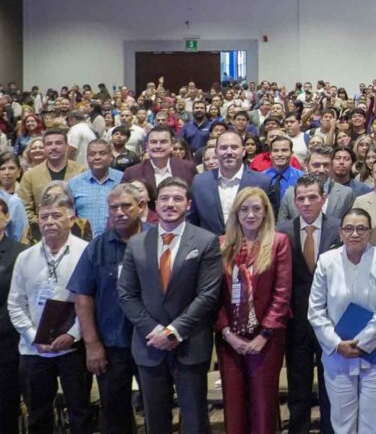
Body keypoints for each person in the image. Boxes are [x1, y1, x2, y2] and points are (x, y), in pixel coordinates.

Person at [117, 177, 224, 434]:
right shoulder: (136, 243)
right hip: (149, 344)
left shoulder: (206, 241)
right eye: (164, 198)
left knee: (195, 420)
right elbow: (126, 294)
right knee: (155, 421)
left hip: (190, 343)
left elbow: (208, 295)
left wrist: (174, 331)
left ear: (188, 204)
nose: (170, 204)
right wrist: (155, 331)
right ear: (155, 204)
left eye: (177, 199)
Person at [7, 184, 90, 434]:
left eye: (56, 216)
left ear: (71, 219)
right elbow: (15, 303)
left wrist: (73, 335)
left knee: (80, 413)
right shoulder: (26, 257)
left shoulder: (86, 252)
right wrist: (34, 337)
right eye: (44, 217)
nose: (49, 222)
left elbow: (91, 300)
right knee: (38, 414)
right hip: (34, 350)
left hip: (73, 347)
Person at [308, 207, 376, 434]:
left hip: (375, 353)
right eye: (348, 228)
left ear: (370, 232)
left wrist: (363, 343)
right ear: (340, 233)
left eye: (361, 229)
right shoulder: (327, 261)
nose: (354, 234)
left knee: (372, 424)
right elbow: (315, 310)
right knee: (342, 423)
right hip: (338, 354)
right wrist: (337, 344)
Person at [67, 182, 149, 434]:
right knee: (114, 416)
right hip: (112, 346)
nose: (119, 212)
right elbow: (82, 298)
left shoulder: (158, 239)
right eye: (114, 207)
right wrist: (92, 345)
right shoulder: (97, 247)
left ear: (141, 206)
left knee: (157, 410)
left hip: (152, 343)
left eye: (126, 206)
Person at [215, 187, 292, 434]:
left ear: (265, 212)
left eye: (256, 209)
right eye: (244, 209)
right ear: (236, 213)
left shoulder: (278, 242)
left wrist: (264, 335)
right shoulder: (221, 244)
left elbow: (282, 293)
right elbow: (214, 296)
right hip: (229, 339)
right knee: (234, 405)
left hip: (266, 339)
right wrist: (227, 334)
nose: (250, 215)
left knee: (263, 404)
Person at [278, 174, 341, 434]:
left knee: (331, 386)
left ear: (323, 199)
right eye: (301, 198)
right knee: (298, 387)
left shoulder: (339, 227)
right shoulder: (282, 231)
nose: (306, 203)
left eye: (312, 197)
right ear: (294, 201)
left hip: (331, 320)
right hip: (296, 321)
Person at [187, 130, 278, 234]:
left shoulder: (263, 182)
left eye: (234, 147)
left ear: (243, 151)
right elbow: (192, 222)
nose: (229, 152)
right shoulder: (199, 182)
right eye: (223, 148)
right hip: (210, 243)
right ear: (216, 152)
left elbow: (270, 222)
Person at [17, 127, 85, 225]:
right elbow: (25, 208)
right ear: (44, 148)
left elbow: (86, 205)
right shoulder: (30, 176)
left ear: (66, 146)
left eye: (58, 143)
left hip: (76, 228)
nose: (53, 147)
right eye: (49, 144)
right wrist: (46, 223)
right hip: (42, 229)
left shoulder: (81, 171)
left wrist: (72, 223)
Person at [0, 197, 27, 433]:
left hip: (8, 341)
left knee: (6, 407)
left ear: (6, 218)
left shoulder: (20, 253)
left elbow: (21, 299)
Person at [279, 144, 355, 224]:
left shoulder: (346, 194)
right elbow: (282, 227)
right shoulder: (290, 194)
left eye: (326, 165)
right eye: (316, 165)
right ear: (306, 165)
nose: (321, 170)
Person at [66, 138, 124, 233]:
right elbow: (69, 217)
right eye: (92, 154)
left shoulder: (123, 180)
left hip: (117, 238)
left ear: (111, 157)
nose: (97, 157)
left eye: (102, 153)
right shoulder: (74, 183)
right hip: (85, 240)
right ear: (87, 158)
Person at [122, 123, 197, 195]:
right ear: (147, 146)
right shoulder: (132, 173)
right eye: (153, 142)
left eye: (163, 142)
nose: (158, 146)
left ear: (172, 146)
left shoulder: (188, 168)